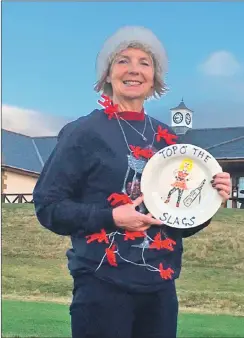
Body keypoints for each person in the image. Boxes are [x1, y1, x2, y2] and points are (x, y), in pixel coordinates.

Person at [33, 26, 231, 338]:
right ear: (108, 74)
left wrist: (211, 200)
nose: (134, 69)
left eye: (144, 62)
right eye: (123, 61)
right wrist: (111, 217)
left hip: (159, 287)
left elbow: (176, 223)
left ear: (155, 78)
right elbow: (49, 207)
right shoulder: (83, 133)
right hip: (102, 284)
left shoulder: (169, 141)